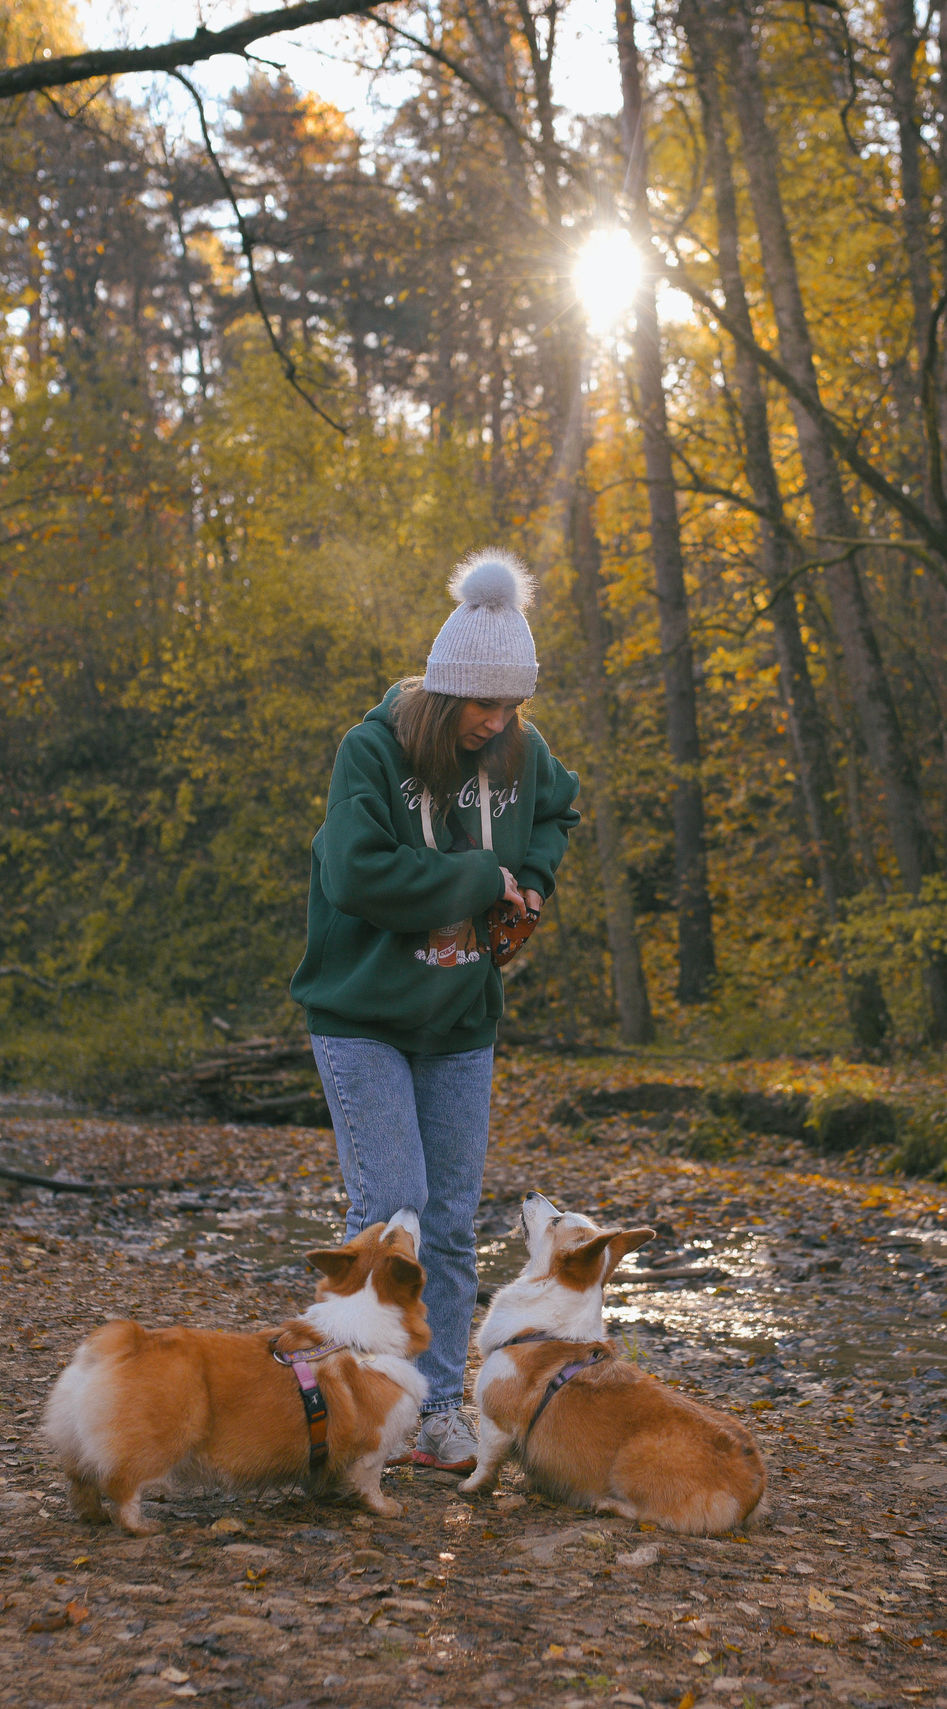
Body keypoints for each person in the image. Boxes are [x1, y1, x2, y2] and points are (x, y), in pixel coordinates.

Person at [289, 549, 580, 1472]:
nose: (494, 722)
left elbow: (556, 814)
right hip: (362, 1013)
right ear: (442, 690)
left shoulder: (519, 751)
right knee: (396, 1213)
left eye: (510, 706)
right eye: (479, 705)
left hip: (459, 1020)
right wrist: (477, 873)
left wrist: (528, 883)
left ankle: (441, 1408)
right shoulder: (370, 751)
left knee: (451, 1222)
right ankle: (367, 1406)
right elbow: (358, 872)